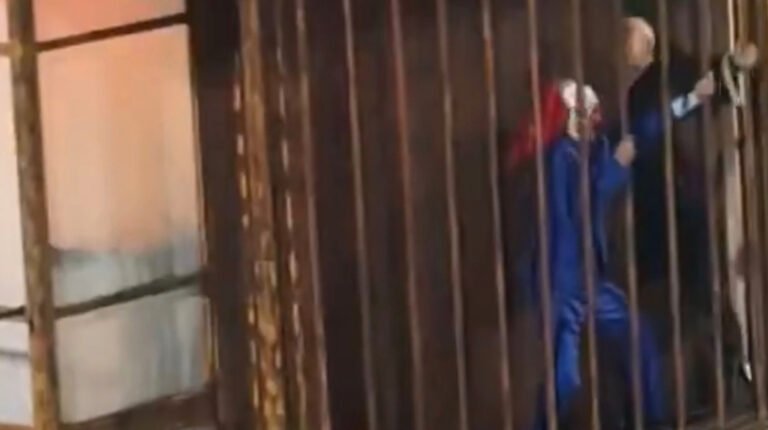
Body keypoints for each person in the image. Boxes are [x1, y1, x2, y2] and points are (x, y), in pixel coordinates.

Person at [520, 72, 717, 428]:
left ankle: (653, 421)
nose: (596, 119)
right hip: (560, 283)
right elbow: (582, 205)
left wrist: (692, 98)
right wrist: (616, 166)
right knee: (565, 377)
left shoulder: (592, 148)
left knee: (639, 340)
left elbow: (646, 129)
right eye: (589, 111)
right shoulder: (558, 159)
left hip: (590, 281)